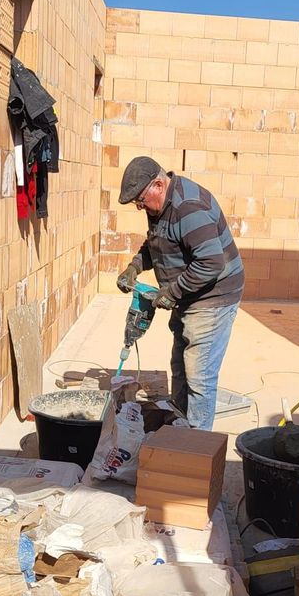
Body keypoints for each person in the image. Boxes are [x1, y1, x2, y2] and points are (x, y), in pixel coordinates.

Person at [116, 156, 245, 430]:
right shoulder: (160, 208)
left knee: (199, 376)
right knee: (180, 366)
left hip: (212, 298)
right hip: (188, 295)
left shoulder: (188, 209)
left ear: (159, 185)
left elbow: (211, 262)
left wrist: (173, 292)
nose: (140, 207)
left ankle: (195, 448)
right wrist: (134, 268)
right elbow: (157, 243)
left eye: (140, 200)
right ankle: (178, 430)